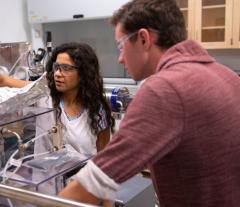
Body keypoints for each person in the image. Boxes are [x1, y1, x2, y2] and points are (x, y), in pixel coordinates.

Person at [58, 0, 240, 206]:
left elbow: (97, 181)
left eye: (120, 45)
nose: (120, 58)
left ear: (144, 39)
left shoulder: (164, 88)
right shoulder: (227, 76)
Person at [0, 42, 115, 155]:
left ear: (84, 73)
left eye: (66, 68)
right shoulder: (43, 96)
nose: (58, 73)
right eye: (56, 67)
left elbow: (104, 158)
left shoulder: (97, 110)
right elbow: (2, 81)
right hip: (47, 187)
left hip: (81, 191)